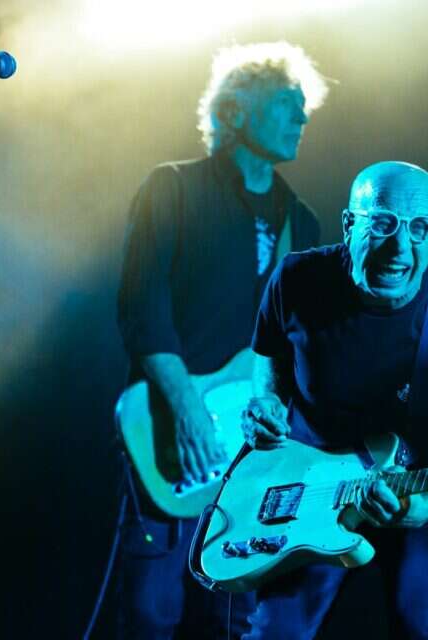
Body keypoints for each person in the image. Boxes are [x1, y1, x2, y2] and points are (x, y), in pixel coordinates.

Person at [240, 161, 428, 639]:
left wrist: (425, 505)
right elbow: (270, 358)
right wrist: (266, 403)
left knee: (420, 620)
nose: (400, 247)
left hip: (415, 487)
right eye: (382, 223)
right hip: (309, 488)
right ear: (349, 224)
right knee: (276, 631)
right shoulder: (296, 278)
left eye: (419, 228)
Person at [115, 41, 327, 639]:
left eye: (304, 106)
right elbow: (140, 308)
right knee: (152, 614)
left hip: (249, 453)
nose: (302, 117)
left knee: (229, 619)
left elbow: (295, 344)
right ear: (234, 110)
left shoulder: (301, 221)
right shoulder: (172, 188)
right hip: (168, 430)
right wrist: (187, 410)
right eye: (286, 102)